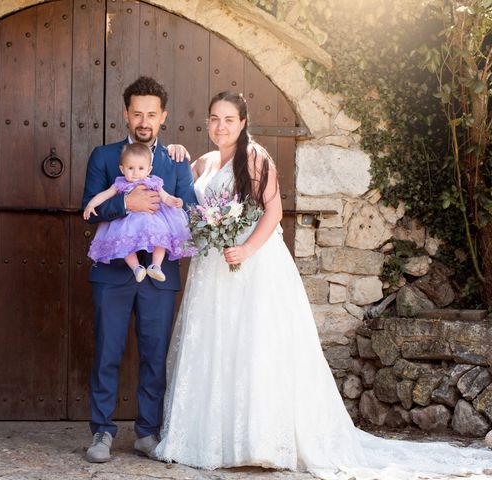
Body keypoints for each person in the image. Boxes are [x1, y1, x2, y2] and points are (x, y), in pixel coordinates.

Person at [154, 91, 492, 479]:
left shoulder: (255, 158)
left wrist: (245, 248)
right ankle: (211, 438)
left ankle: (259, 440)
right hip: (213, 270)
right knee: (218, 347)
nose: (220, 126)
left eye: (229, 119)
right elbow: (179, 196)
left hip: (253, 266)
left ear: (243, 122)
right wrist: (175, 151)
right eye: (214, 118)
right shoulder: (204, 163)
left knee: (255, 346)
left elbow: (274, 211)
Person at [81, 76, 197, 463]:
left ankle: (148, 432)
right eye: (137, 113)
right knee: (107, 352)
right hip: (113, 272)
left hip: (159, 277)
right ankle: (101, 432)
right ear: (126, 115)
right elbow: (91, 210)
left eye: (151, 114)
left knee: (154, 354)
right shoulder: (103, 156)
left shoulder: (176, 160)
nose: (143, 121)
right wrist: (128, 205)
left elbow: (190, 209)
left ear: (163, 116)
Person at [83, 142, 195, 282]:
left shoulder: (154, 182)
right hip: (127, 222)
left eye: (141, 168)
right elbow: (104, 195)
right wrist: (91, 205)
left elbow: (165, 196)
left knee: (160, 239)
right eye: (131, 168)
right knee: (123, 243)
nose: (136, 173)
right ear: (122, 169)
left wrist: (174, 201)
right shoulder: (120, 184)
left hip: (153, 220)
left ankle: (156, 266)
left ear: (149, 170)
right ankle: (137, 268)